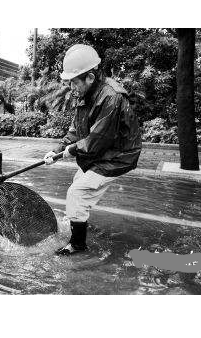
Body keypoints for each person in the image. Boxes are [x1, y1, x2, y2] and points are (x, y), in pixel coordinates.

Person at [44, 44, 142, 255]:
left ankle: (78, 244)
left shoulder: (111, 97)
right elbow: (76, 130)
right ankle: (78, 221)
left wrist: (70, 151)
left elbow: (97, 139)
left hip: (116, 156)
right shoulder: (85, 95)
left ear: (90, 77)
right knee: (77, 184)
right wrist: (58, 149)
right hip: (100, 153)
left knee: (77, 193)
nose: (71, 87)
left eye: (73, 82)